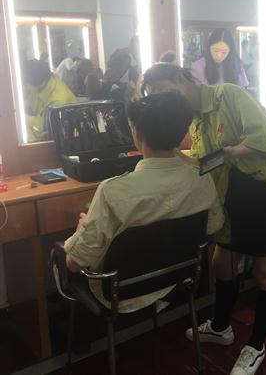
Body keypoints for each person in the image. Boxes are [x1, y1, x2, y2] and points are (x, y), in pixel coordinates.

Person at [141, 63, 266, 375]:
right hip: (232, 198)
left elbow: (265, 136)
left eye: (164, 91)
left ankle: (256, 346)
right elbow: (204, 163)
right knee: (221, 263)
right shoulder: (194, 121)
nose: (165, 100)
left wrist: (233, 152)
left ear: (180, 78)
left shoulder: (228, 95)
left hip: (265, 193)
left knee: (264, 273)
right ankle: (221, 328)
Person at [64, 91, 224, 312]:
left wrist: (84, 228)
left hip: (119, 292)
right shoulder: (201, 178)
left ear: (137, 131)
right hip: (175, 278)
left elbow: (74, 264)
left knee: (63, 258)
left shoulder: (112, 191)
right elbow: (213, 226)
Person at [22, 59, 76, 141]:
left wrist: (22, 118)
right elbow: (29, 103)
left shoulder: (58, 99)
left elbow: (44, 127)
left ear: (34, 83)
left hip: (62, 139)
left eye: (26, 85)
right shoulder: (41, 87)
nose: (25, 88)